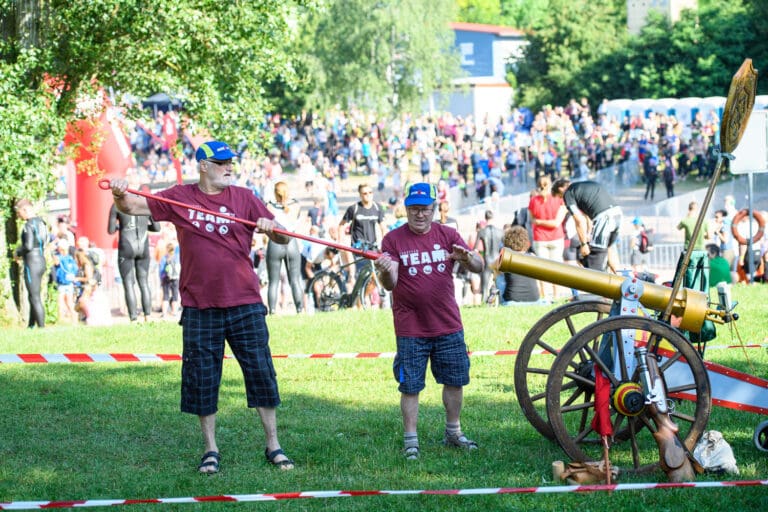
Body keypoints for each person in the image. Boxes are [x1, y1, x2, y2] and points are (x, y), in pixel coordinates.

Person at [109, 140, 295, 473]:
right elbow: (132, 208)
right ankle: (210, 449)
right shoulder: (180, 196)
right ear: (203, 166)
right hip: (199, 305)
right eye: (221, 161)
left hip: (245, 302)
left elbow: (284, 236)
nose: (229, 166)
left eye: (231, 161)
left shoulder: (244, 197)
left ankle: (274, 445)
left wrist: (273, 229)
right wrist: (119, 193)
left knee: (261, 373)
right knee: (202, 379)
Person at [374, 182, 484, 460]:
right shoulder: (393, 240)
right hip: (411, 328)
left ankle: (454, 432)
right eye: (414, 209)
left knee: (455, 380)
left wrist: (468, 258)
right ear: (407, 209)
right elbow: (390, 284)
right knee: (410, 385)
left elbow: (480, 266)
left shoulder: (448, 234)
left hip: (447, 323)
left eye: (425, 209)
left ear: (434, 209)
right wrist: (386, 271)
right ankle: (411, 440)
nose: (419, 214)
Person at [551, 178, 622, 272]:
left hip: (604, 218)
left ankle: (596, 285)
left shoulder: (568, 193)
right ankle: (620, 277)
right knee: (609, 249)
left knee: (595, 261)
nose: (562, 200)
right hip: (617, 214)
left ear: (560, 189)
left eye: (559, 197)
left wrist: (583, 244)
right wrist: (589, 233)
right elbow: (588, 217)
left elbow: (579, 221)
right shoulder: (583, 187)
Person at [108, 198, 161, 322]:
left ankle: (133, 318)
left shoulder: (116, 205)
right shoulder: (144, 204)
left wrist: (120, 226)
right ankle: (148, 316)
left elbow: (110, 230)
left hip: (126, 246)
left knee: (128, 283)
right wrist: (143, 226)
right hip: (143, 246)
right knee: (144, 282)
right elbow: (157, 228)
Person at [265, 181, 304, 314]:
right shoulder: (296, 205)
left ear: (275, 193)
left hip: (275, 242)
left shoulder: (269, 205)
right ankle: (300, 310)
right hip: (291, 242)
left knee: (273, 281)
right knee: (295, 279)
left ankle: (273, 311)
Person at [528, 175, 566, 300]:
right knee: (556, 268)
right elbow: (556, 223)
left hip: (540, 238)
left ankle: (543, 295)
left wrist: (539, 222)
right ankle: (556, 294)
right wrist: (547, 222)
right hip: (556, 237)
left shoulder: (533, 200)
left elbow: (532, 220)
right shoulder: (558, 199)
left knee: (542, 269)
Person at [14, 199, 49, 328]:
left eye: (19, 213)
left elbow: (28, 246)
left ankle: (41, 327)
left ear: (25, 210)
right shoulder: (42, 222)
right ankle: (31, 325)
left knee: (34, 297)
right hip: (41, 259)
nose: (18, 216)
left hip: (32, 262)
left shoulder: (29, 225)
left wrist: (18, 252)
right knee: (33, 295)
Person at [499, 226, 543, 305]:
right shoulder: (533, 256)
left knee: (499, 276)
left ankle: (499, 300)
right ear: (526, 242)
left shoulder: (506, 258)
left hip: (512, 301)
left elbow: (491, 267)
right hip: (534, 299)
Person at [475, 210, 504, 302]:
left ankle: (484, 302)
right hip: (497, 260)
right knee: (499, 284)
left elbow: (475, 248)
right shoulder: (501, 232)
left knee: (485, 286)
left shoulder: (482, 231)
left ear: (485, 218)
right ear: (493, 218)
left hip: (487, 259)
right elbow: (504, 248)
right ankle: (501, 302)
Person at [158, 241, 181, 317]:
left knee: (166, 296)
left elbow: (161, 269)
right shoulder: (177, 257)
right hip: (176, 278)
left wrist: (162, 278)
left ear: (167, 249)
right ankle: (175, 312)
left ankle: (164, 313)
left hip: (166, 279)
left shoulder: (164, 258)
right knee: (175, 296)